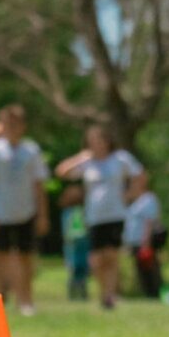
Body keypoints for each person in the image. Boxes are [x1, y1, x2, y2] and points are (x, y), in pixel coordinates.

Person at [57, 125, 146, 311]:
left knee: (112, 256)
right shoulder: (87, 162)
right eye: (92, 141)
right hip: (94, 216)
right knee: (96, 259)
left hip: (115, 214)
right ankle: (103, 292)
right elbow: (61, 172)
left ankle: (111, 296)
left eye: (100, 139)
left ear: (107, 141)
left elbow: (140, 175)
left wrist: (130, 195)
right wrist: (81, 157)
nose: (96, 144)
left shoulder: (120, 158)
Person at [0, 105, 51, 315]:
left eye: (15, 123)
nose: (11, 127)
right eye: (7, 123)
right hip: (0, 214)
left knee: (25, 259)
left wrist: (42, 215)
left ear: (23, 126)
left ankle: (25, 301)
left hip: (25, 213)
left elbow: (39, 186)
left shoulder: (31, 150)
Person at [123, 181, 168, 299]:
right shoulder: (134, 202)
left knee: (150, 268)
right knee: (141, 269)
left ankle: (155, 293)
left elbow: (149, 222)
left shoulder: (148, 199)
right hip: (135, 242)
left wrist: (146, 243)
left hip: (145, 241)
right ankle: (148, 293)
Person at [59, 185, 91, 302]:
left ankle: (78, 292)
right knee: (77, 269)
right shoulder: (74, 212)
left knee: (78, 269)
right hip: (76, 244)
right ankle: (77, 293)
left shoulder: (71, 212)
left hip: (76, 244)